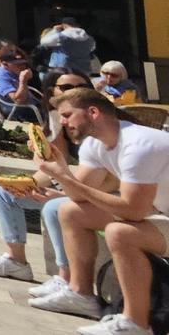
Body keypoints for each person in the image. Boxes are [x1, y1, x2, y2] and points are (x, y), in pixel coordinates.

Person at [36, 87, 169, 332]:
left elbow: (133, 211)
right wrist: (60, 169)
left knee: (120, 233)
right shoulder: (95, 145)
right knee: (71, 212)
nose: (62, 123)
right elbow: (78, 195)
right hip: (161, 213)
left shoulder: (139, 144)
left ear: (93, 112)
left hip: (157, 214)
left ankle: (136, 324)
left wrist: (67, 179)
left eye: (66, 115)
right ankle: (81, 294)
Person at [0, 72, 93, 292]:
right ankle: (16, 261)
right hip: (69, 187)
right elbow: (53, 168)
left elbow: (90, 184)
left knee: (56, 207)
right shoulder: (56, 124)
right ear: (52, 93)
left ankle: (66, 278)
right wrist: (28, 184)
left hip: (93, 195)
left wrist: (62, 192)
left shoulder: (93, 128)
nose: (75, 92)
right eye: (66, 88)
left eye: (81, 86)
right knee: (2, 191)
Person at [39, 18, 98, 86]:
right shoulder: (89, 38)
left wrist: (55, 30)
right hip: (83, 71)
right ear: (78, 25)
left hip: (63, 71)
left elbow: (43, 41)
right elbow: (92, 48)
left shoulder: (61, 36)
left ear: (64, 25)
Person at [0, 44, 42, 122]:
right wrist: (23, 81)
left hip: (33, 106)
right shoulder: (0, 76)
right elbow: (19, 101)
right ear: (5, 64)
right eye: (18, 64)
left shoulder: (14, 72)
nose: (22, 67)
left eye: (23, 63)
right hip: (22, 112)